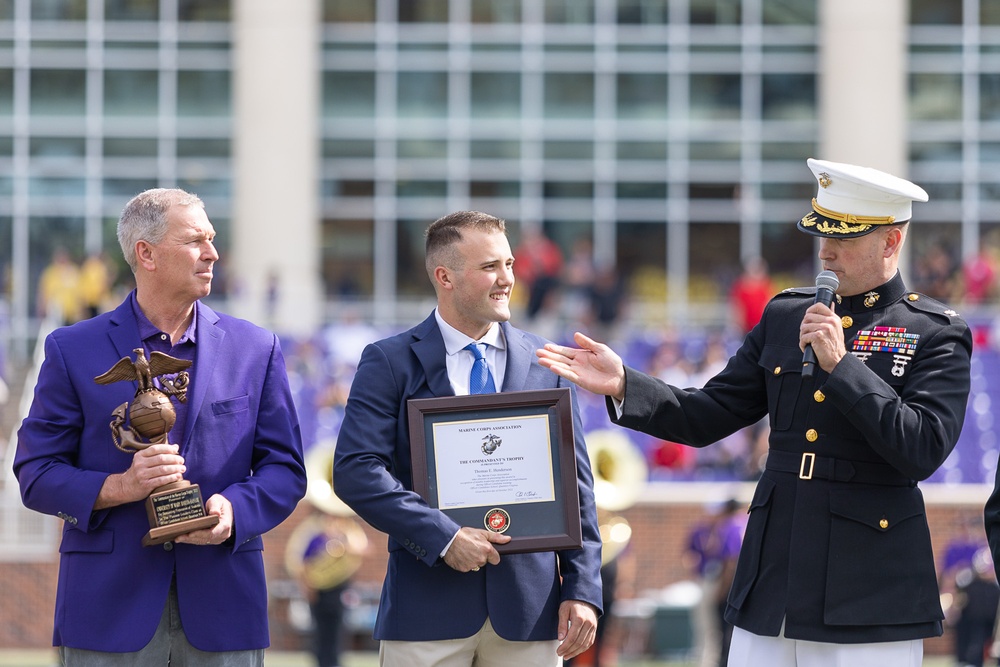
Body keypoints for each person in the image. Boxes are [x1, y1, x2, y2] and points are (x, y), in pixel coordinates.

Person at [537, 158, 973, 667]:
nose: (827, 251)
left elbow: (921, 449)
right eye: (822, 234)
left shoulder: (935, 332)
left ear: (891, 242)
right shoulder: (787, 313)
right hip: (774, 579)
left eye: (845, 239)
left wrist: (842, 366)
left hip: (868, 588)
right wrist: (625, 384)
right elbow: (710, 413)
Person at [14, 188, 307, 665]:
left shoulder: (256, 348)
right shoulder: (72, 348)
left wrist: (232, 512)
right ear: (145, 253)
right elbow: (36, 472)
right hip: (106, 611)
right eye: (195, 241)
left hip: (224, 606)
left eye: (211, 239)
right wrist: (118, 486)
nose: (212, 253)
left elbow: (286, 470)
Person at [332, 210, 603, 666]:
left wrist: (582, 589)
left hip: (530, 613)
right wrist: (444, 537)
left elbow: (576, 491)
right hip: (425, 610)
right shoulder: (389, 361)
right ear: (445, 277)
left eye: (510, 264)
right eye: (489, 267)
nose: (507, 279)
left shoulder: (545, 364)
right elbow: (356, 470)